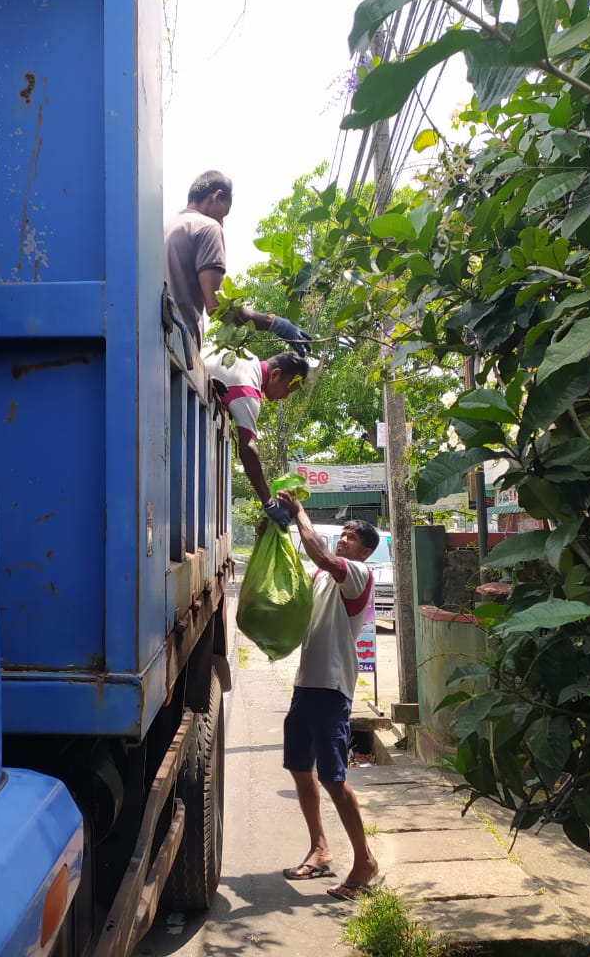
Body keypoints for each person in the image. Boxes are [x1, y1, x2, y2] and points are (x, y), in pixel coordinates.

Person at [274, 490, 380, 902]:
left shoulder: (357, 574)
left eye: (352, 538)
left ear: (365, 551)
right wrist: (275, 531)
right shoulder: (323, 577)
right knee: (301, 768)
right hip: (306, 684)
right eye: (343, 535)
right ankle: (320, 849)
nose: (344, 540)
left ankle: (365, 861)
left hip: (332, 689)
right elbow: (299, 568)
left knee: (334, 778)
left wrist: (299, 511)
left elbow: (319, 554)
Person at [164, 170, 312, 354]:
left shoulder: (166, 225)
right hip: (177, 347)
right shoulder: (208, 227)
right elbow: (217, 307)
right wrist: (274, 323)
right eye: (224, 214)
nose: (222, 223)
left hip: (154, 338)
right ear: (217, 196)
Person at [206, 349, 309, 530]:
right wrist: (268, 502)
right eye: (287, 389)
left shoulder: (246, 356)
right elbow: (247, 449)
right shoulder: (249, 391)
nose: (285, 396)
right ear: (275, 374)